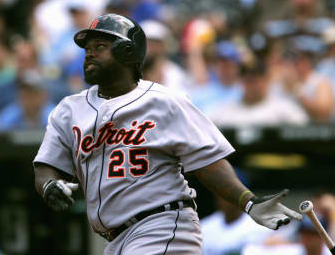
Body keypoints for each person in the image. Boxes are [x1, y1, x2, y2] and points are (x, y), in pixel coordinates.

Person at [33, 13, 302, 254]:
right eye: (87, 49)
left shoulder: (164, 101)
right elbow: (46, 166)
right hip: (115, 241)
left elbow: (207, 161)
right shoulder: (69, 110)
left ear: (128, 53)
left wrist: (249, 202)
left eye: (100, 47)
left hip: (163, 227)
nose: (89, 54)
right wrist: (49, 185)